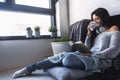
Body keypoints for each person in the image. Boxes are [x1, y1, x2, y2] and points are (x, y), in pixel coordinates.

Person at [13, 8, 120, 79]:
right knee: (63, 55)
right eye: (93, 19)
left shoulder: (113, 28)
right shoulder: (97, 32)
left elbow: (114, 50)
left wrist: (93, 55)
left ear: (104, 18)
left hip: (100, 61)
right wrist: (89, 34)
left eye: (97, 19)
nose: (95, 22)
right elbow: (88, 48)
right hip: (88, 56)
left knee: (67, 58)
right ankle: (29, 68)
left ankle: (50, 63)